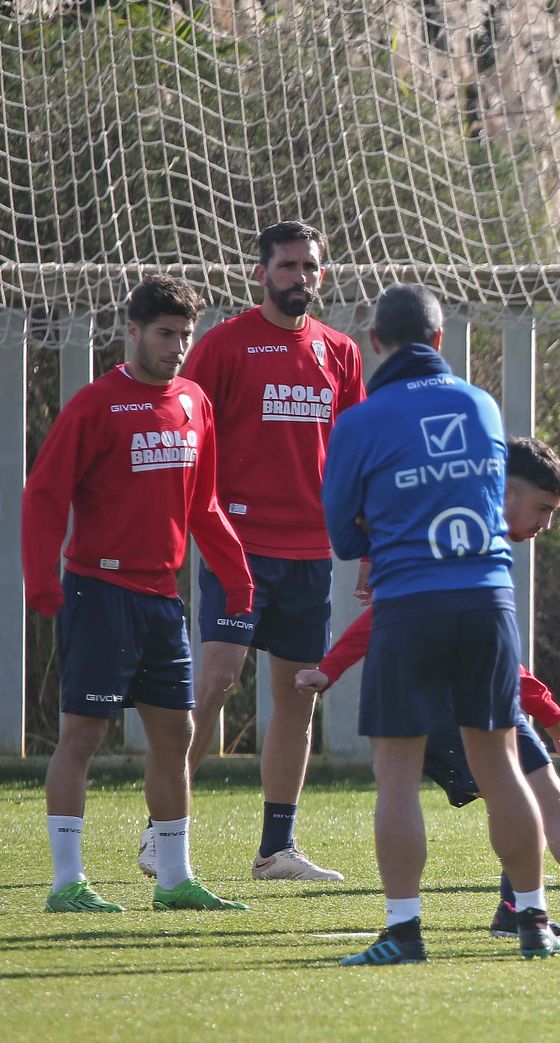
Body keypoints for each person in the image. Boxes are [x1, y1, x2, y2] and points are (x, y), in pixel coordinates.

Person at [295, 437, 560, 942]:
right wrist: (330, 669)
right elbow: (388, 611)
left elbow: (493, 644)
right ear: (505, 491)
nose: (546, 525)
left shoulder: (488, 540)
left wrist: (545, 707)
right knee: (532, 795)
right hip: (441, 703)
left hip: (487, 691)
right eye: (542, 509)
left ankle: (522, 910)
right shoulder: (454, 539)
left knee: (539, 796)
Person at [321, 283, 556, 964]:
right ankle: (534, 920)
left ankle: (404, 931)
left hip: (409, 603)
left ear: (375, 344)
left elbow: (342, 534)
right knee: (502, 765)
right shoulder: (481, 405)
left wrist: (381, 514)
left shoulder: (360, 421)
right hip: (488, 599)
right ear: (441, 341)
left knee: (396, 773)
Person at [24, 275, 252, 913]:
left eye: (185, 335)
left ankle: (174, 880)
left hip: (162, 598)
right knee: (83, 736)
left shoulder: (195, 403)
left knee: (176, 734)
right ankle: (66, 882)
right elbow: (45, 493)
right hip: (99, 589)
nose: (176, 347)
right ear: (132, 331)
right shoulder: (97, 405)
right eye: (164, 334)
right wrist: (41, 579)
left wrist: (237, 576)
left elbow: (203, 502)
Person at [162, 220, 365, 883]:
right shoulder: (222, 347)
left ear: (321, 276)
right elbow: (182, 436)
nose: (299, 276)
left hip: (311, 553)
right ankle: (161, 832)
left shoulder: (340, 352)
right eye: (287, 265)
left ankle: (276, 848)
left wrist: (367, 544)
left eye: (309, 266)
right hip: (237, 548)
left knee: (297, 696)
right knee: (217, 680)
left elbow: (355, 455)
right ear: (261, 273)